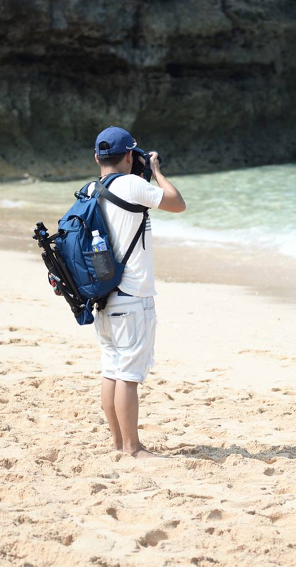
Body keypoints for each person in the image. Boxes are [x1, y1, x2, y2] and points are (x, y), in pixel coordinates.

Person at [92, 126, 185, 457]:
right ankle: (132, 448)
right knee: (128, 376)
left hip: (103, 296)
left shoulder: (91, 189)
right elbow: (177, 203)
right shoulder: (134, 185)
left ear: (97, 158)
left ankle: (118, 442)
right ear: (130, 155)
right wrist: (156, 172)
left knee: (111, 370)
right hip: (132, 298)